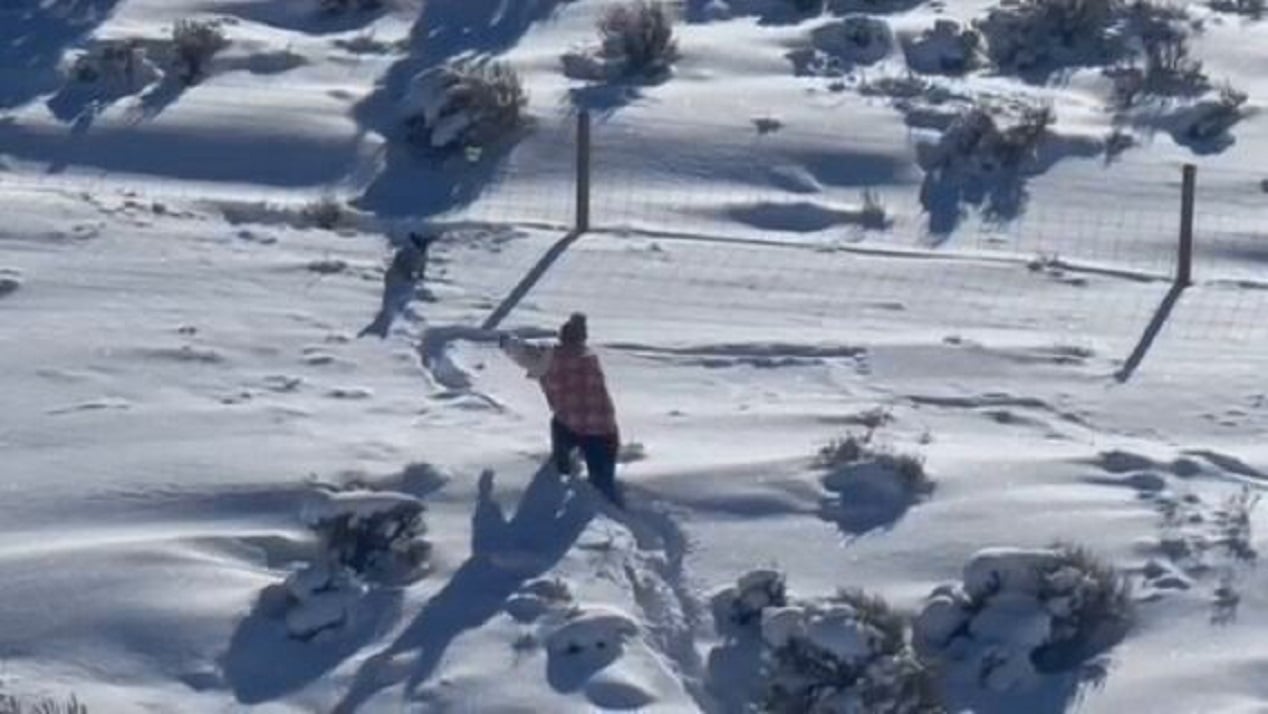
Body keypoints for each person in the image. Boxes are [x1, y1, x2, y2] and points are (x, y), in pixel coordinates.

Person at [499, 313, 623, 506]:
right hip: (606, 430)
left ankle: (563, 467)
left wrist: (506, 341)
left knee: (559, 426)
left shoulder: (548, 357)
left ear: (561, 337)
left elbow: (520, 351)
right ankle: (617, 512)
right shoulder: (590, 357)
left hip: (572, 426)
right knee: (604, 485)